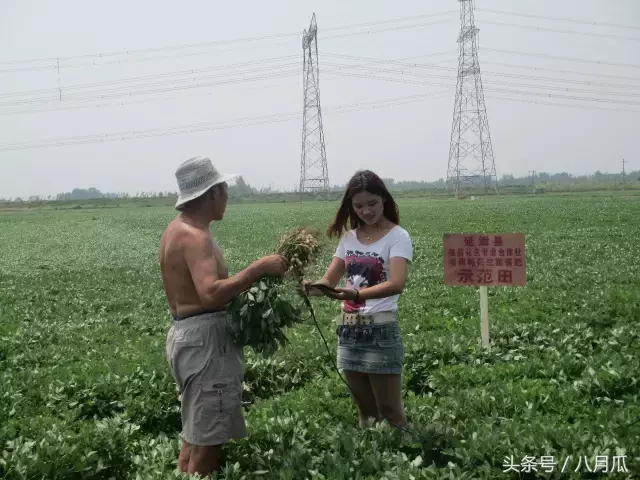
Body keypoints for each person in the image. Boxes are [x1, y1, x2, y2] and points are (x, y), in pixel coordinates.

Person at [159, 156, 288, 476]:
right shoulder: (195, 235)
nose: (228, 196)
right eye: (225, 189)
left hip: (188, 336)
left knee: (195, 434)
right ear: (213, 192)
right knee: (209, 439)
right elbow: (211, 293)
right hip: (205, 342)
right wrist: (259, 268)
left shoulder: (177, 229)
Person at [303, 170, 413, 429]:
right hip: (349, 328)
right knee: (366, 412)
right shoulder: (349, 238)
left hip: (380, 328)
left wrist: (357, 294)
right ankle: (373, 462)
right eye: (359, 205)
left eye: (372, 203)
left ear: (384, 199)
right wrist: (307, 287)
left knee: (391, 413)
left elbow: (397, 283)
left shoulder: (398, 236)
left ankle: (404, 460)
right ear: (351, 206)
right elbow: (329, 282)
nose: (366, 211)